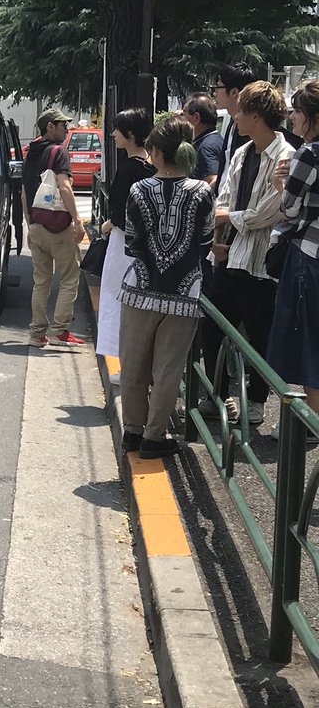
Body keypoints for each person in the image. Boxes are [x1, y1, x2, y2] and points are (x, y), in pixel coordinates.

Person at [199, 81, 296, 426]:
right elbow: (222, 200)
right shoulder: (241, 152)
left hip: (260, 261)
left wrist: (228, 218)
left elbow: (270, 213)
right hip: (227, 256)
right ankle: (218, 395)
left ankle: (255, 401)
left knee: (259, 335)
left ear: (256, 115)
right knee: (210, 327)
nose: (234, 117)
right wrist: (217, 237)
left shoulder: (286, 158)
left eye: (240, 111)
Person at [118, 117, 215, 459]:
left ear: (155, 152)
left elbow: (131, 244)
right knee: (167, 370)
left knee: (132, 365)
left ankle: (131, 430)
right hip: (184, 293)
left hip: (139, 289)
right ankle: (154, 437)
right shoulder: (203, 192)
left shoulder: (138, 190)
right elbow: (205, 240)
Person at [266, 80, 319, 417]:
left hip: (310, 258)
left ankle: (313, 424)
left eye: (298, 112)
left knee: (308, 346)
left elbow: (289, 208)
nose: (293, 119)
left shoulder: (310, 153)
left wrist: (279, 183)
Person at [22, 107, 87, 348]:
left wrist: (30, 223)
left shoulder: (31, 152)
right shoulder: (59, 152)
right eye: (63, 125)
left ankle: (37, 334)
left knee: (41, 282)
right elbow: (64, 187)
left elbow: (24, 191)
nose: (67, 128)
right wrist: (77, 220)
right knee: (70, 276)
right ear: (50, 127)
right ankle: (59, 330)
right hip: (58, 228)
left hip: (37, 225)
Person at [96, 108, 155, 360]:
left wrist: (109, 224)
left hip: (122, 243)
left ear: (130, 134)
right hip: (147, 246)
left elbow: (120, 213)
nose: (112, 134)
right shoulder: (153, 168)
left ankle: (120, 357)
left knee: (115, 296)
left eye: (117, 129)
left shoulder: (127, 170)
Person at [212, 63, 256, 189]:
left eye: (217, 87)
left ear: (234, 92)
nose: (214, 93)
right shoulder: (231, 124)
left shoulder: (250, 130)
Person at [183, 92, 225, 189]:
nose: (181, 118)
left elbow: (214, 179)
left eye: (184, 113)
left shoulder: (206, 147)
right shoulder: (216, 139)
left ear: (196, 117)